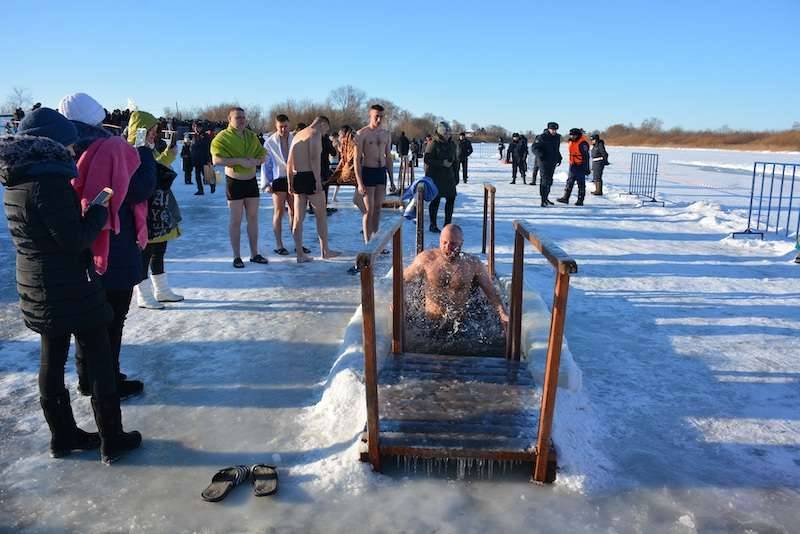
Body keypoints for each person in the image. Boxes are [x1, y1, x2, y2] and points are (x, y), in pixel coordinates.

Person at [1, 108, 141, 463]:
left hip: (36, 282)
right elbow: (74, 238)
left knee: (52, 359)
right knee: (99, 360)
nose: (71, 149)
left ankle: (63, 436)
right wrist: (98, 210)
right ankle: (112, 438)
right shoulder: (48, 182)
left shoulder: (17, 177)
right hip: (68, 284)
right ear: (50, 143)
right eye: (66, 142)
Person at [60, 96, 155, 400]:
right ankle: (108, 378)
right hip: (115, 242)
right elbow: (139, 188)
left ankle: (88, 377)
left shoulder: (63, 148)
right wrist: (144, 152)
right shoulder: (111, 147)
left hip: (79, 242)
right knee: (113, 318)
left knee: (87, 318)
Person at [403, 224, 508, 334]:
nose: (448, 247)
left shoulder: (472, 264)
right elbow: (403, 279)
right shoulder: (426, 260)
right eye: (444, 242)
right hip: (430, 324)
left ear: (461, 243)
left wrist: (502, 313)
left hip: (460, 326)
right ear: (439, 241)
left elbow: (491, 291)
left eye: (453, 243)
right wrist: (400, 301)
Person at [135, 115, 184, 308]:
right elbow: (148, 173)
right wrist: (168, 157)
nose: (154, 135)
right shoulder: (136, 149)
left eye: (155, 131)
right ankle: (143, 294)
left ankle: (161, 290)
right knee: (144, 254)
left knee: (159, 250)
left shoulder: (150, 149)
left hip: (160, 208)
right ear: (140, 131)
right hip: (145, 210)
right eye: (151, 131)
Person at [211, 107, 269, 268]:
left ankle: (254, 253)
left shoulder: (251, 136)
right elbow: (216, 160)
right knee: (236, 220)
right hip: (234, 182)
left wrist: (258, 161)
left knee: (253, 219)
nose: (242, 120)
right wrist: (239, 161)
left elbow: (263, 154)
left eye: (243, 117)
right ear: (229, 120)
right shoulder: (222, 137)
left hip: (251, 182)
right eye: (238, 117)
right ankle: (236, 256)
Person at [286, 116, 341, 262]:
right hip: (311, 176)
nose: (325, 134)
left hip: (298, 176)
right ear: (322, 124)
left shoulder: (298, 134)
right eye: (326, 130)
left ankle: (299, 254)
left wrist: (290, 182)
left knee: (298, 218)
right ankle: (325, 251)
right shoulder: (314, 133)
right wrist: (317, 181)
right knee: (321, 216)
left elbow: (289, 161)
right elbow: (314, 158)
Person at [354, 104, 394, 243]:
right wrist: (359, 182)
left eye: (381, 117)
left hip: (381, 172)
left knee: (377, 208)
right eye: (376, 116)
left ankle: (375, 240)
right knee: (368, 210)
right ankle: (367, 242)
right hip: (368, 172)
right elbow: (356, 160)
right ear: (370, 115)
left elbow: (388, 157)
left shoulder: (386, 134)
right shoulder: (362, 134)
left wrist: (392, 179)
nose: (379, 119)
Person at [261, 114, 294, 255]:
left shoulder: (295, 139)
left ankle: (298, 242)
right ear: (276, 126)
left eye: (286, 126)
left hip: (293, 177)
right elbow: (266, 164)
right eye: (280, 127)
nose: (283, 129)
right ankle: (279, 244)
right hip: (278, 178)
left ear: (289, 125)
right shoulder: (269, 142)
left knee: (295, 212)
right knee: (279, 212)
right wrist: (266, 183)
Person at [425, 121, 458, 233]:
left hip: (449, 177)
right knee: (435, 200)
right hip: (436, 177)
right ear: (441, 133)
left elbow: (455, 161)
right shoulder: (433, 143)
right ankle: (433, 224)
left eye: (449, 132)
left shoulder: (452, 144)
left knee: (451, 198)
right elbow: (427, 159)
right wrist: (441, 163)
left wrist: (457, 175)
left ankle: (447, 224)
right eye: (446, 132)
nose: (448, 134)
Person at [557, 128, 591, 206]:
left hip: (581, 165)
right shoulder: (571, 141)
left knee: (581, 183)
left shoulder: (583, 143)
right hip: (572, 165)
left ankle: (580, 200)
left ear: (578, 135)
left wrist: (587, 168)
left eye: (574, 135)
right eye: (571, 135)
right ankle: (566, 198)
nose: (572, 136)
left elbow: (586, 157)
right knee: (569, 181)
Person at [532, 122, 562, 207]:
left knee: (550, 181)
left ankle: (546, 198)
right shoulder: (542, 137)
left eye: (555, 130)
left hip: (552, 162)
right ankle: (543, 200)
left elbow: (556, 149)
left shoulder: (557, 137)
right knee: (544, 181)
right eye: (552, 129)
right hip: (543, 162)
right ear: (548, 129)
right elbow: (534, 147)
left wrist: (559, 157)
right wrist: (540, 154)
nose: (554, 131)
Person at [191, 122, 212, 195]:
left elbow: (206, 146)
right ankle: (200, 190)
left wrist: (209, 159)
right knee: (197, 176)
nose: (196, 129)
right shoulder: (194, 136)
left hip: (204, 158)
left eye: (197, 127)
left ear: (201, 128)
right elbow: (193, 147)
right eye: (195, 127)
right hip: (196, 159)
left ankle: (212, 185)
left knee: (206, 175)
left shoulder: (205, 135)